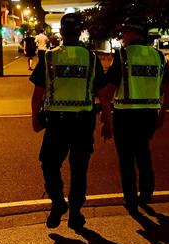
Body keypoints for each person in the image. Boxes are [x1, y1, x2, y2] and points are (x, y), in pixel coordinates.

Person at [30, 13, 112, 230]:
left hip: (56, 121)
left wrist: (34, 119)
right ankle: (75, 213)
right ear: (80, 31)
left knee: (49, 164)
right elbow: (103, 95)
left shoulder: (49, 57)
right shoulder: (91, 59)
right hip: (83, 121)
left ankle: (58, 202)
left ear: (62, 32)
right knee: (79, 169)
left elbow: (38, 94)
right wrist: (108, 121)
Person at [106, 16, 169, 215]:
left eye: (124, 32)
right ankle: (146, 192)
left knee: (126, 158)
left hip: (125, 115)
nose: (123, 36)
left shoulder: (123, 56)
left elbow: (110, 88)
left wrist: (104, 112)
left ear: (131, 32)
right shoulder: (158, 56)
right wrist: (162, 112)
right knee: (143, 152)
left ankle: (131, 199)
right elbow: (168, 89)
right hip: (149, 115)